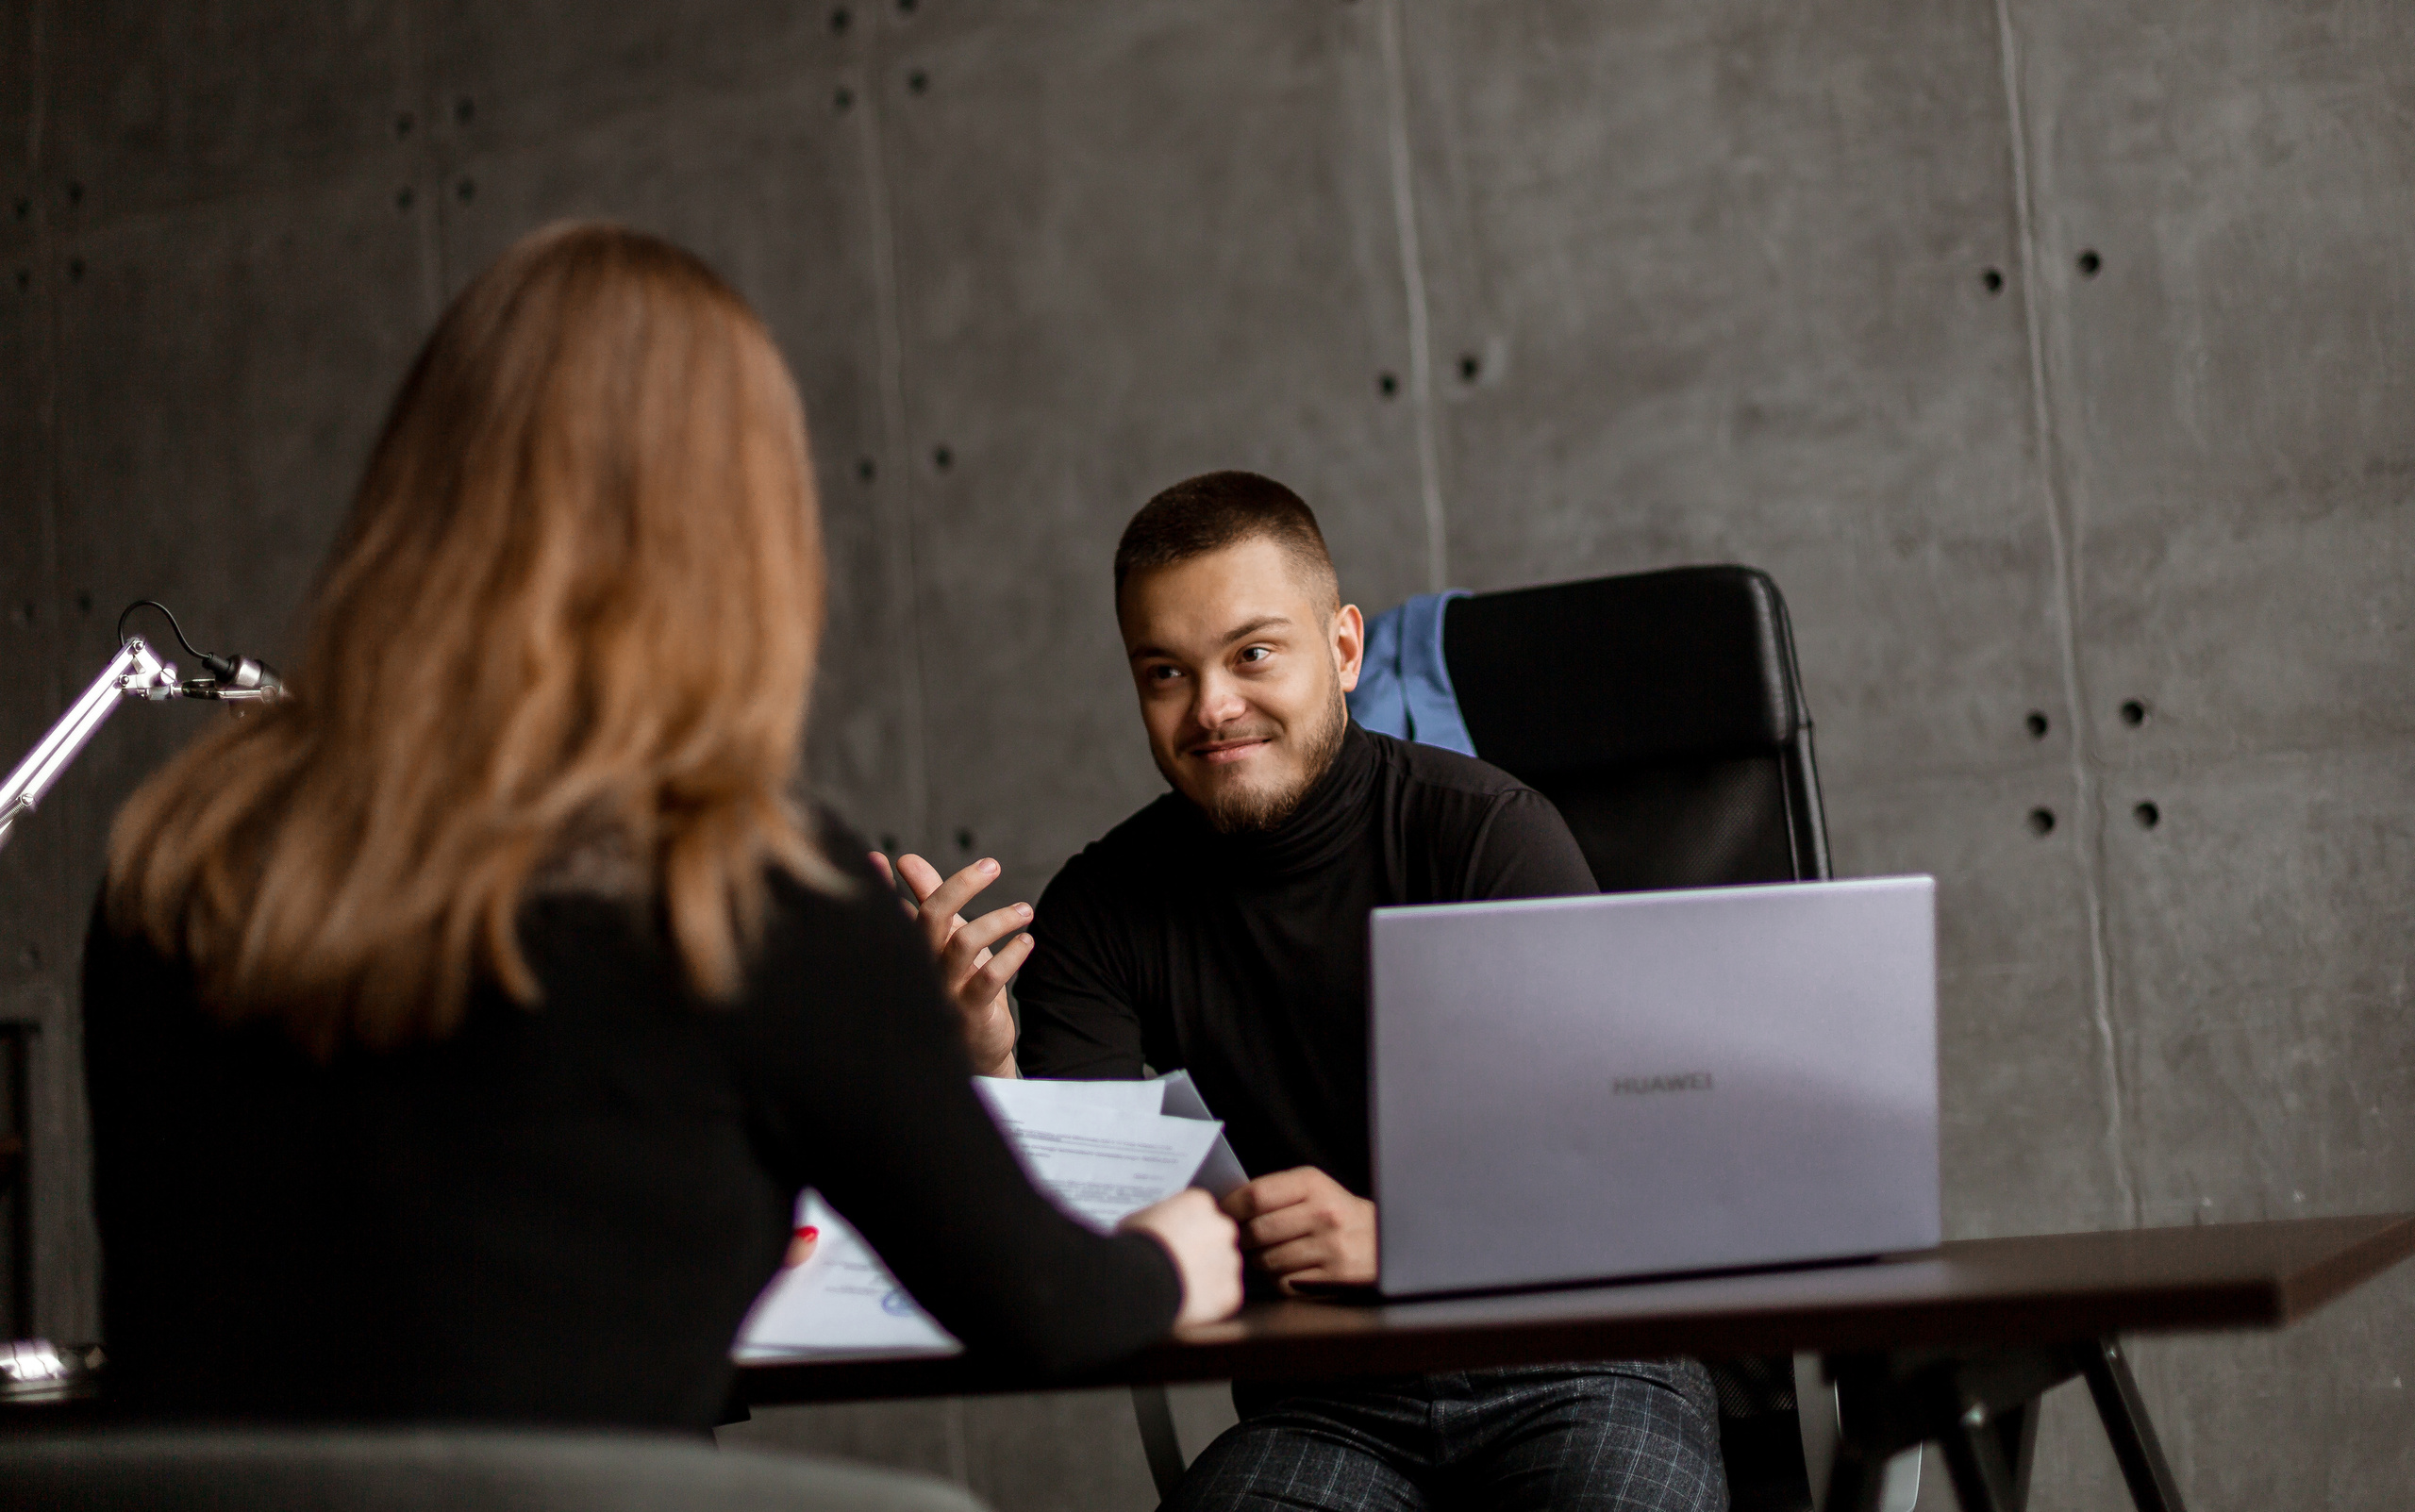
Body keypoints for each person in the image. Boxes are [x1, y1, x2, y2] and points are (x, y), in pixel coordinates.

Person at [80, 223, 1239, 1430]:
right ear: (741, 534)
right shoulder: (745, 890)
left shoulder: (180, 859)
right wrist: (1180, 1253)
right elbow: (1043, 1306)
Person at [885, 472, 1727, 1510]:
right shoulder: (1101, 907)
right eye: (1164, 671)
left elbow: (1646, 1180)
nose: (1211, 708)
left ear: (1341, 649)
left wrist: (1402, 1239)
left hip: (1581, 1367)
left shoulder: (1485, 835)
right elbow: (1074, 1232)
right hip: (1322, 1405)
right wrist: (982, 1058)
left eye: (1251, 653)